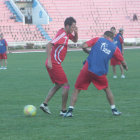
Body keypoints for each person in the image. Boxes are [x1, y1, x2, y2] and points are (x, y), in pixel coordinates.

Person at [65, 31, 128, 117]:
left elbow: (83, 45)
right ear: (112, 38)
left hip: (87, 68)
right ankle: (114, 110)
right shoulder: (114, 48)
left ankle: (69, 111)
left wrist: (88, 52)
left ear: (105, 36)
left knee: (77, 89)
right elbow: (122, 61)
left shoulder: (98, 39)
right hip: (100, 72)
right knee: (107, 89)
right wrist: (125, 67)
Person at [40, 17, 78, 115]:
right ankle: (63, 111)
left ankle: (44, 104)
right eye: (73, 27)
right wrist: (49, 60)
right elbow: (49, 45)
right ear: (67, 26)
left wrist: (76, 32)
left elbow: (75, 40)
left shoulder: (67, 33)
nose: (74, 28)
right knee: (66, 86)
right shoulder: (62, 34)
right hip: (54, 63)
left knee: (58, 85)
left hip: (54, 63)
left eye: (75, 27)